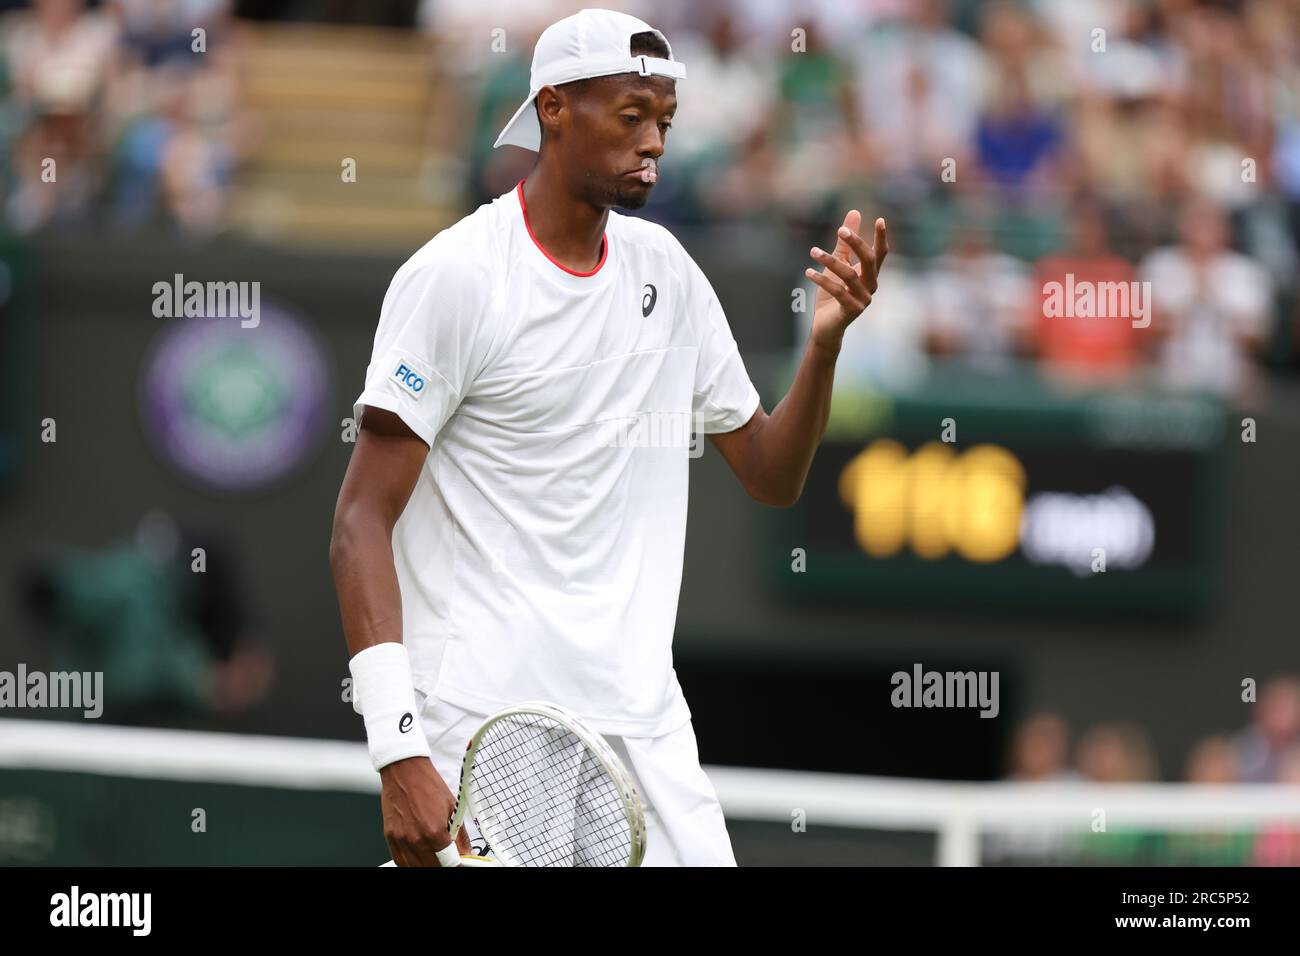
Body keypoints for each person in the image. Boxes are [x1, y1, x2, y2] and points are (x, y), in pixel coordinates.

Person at [329, 8, 887, 867]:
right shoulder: (454, 278)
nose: (655, 142)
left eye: (663, 121)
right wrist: (399, 748)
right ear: (553, 108)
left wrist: (824, 346)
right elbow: (360, 521)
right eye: (632, 116)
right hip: (480, 722)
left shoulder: (671, 273)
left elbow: (773, 475)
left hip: (641, 724)